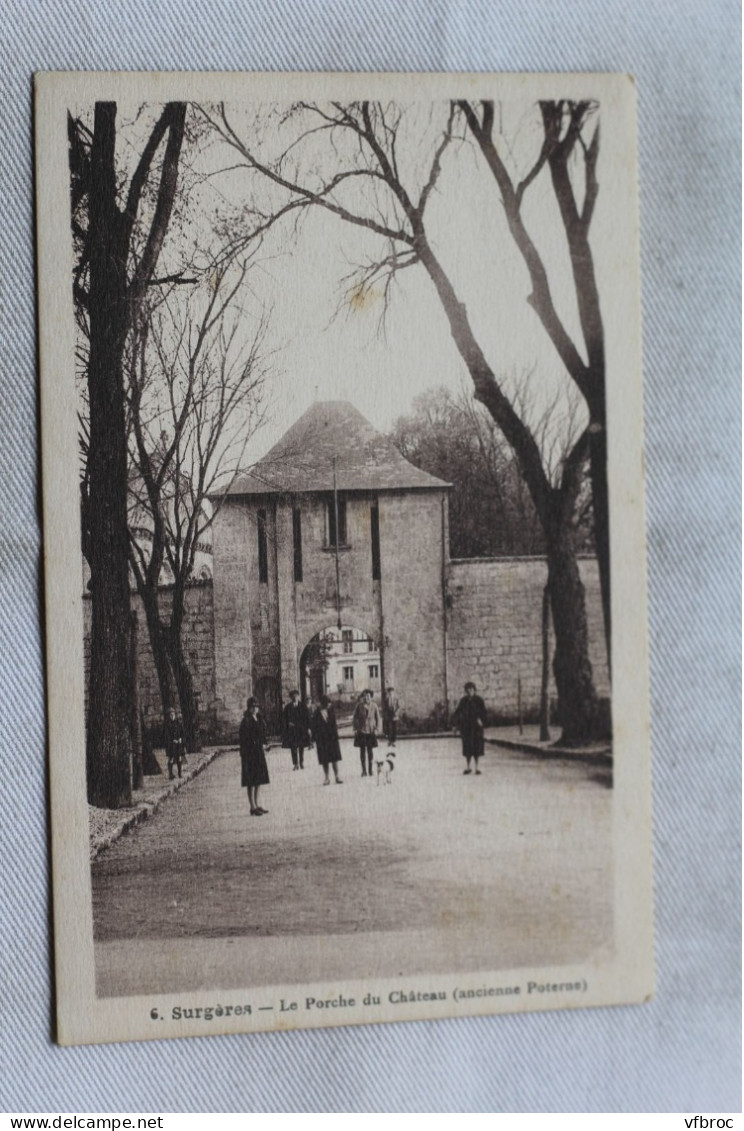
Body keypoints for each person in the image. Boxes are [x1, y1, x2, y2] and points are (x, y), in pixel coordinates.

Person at [239, 697, 270, 815]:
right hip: (250, 754)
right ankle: (252, 806)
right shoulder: (246, 721)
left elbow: (262, 734)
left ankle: (257, 804)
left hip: (258, 753)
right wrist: (256, 744)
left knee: (259, 779)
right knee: (251, 780)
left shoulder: (259, 719)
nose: (255, 709)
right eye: (252, 707)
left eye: (256, 706)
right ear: (249, 708)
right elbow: (245, 739)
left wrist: (264, 744)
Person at [452, 681, 487, 775]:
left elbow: (484, 712)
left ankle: (477, 768)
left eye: (471, 689)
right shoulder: (463, 701)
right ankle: (468, 767)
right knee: (467, 748)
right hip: (466, 727)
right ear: (466, 691)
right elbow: (457, 712)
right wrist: (455, 725)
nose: (470, 691)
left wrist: (481, 720)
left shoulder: (479, 700)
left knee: (477, 747)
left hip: (476, 728)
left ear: (474, 690)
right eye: (468, 690)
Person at [312, 695, 343, 785]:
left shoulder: (331, 711)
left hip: (332, 739)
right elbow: (314, 726)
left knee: (334, 758)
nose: (329, 705)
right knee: (324, 759)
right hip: (322, 740)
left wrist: (336, 737)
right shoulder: (317, 713)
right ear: (323, 704)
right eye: (327, 704)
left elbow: (334, 725)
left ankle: (337, 776)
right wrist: (315, 738)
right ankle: (326, 778)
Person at [352, 688, 381, 777]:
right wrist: (355, 728)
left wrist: (376, 729)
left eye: (368, 696)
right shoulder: (359, 706)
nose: (366, 698)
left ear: (371, 697)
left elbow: (378, 719)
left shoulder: (374, 706)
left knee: (370, 751)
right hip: (361, 731)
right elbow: (355, 718)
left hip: (371, 731)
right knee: (362, 751)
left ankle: (370, 770)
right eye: (364, 696)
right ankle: (364, 771)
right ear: (362, 697)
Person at [282, 689, 312, 770]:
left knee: (301, 747)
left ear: (298, 697)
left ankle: (301, 762)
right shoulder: (288, 707)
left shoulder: (303, 706)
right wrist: (288, 723)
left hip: (301, 730)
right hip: (292, 731)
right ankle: (295, 764)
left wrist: (309, 728)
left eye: (296, 696)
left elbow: (308, 718)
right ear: (291, 698)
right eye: (293, 697)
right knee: (293, 747)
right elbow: (284, 719)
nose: (295, 698)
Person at [164, 706, 186, 780]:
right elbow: (166, 735)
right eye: (170, 714)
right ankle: (170, 774)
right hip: (171, 745)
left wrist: (180, 739)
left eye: (173, 714)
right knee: (171, 758)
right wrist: (172, 740)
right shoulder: (167, 725)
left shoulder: (178, 723)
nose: (172, 715)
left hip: (178, 744)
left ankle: (180, 773)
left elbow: (182, 733)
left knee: (179, 758)